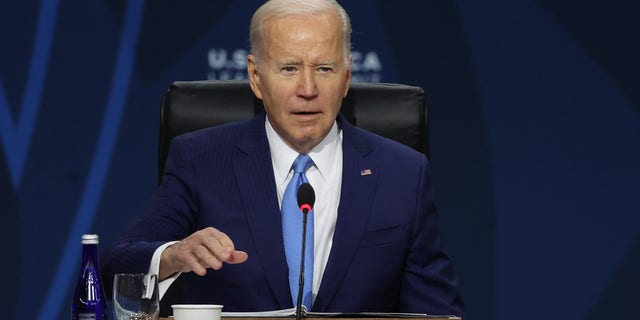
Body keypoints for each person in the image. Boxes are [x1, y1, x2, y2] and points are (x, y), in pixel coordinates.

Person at [101, 0, 464, 317]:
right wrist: (172, 256)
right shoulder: (200, 161)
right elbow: (114, 268)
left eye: (324, 68)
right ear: (256, 77)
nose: (308, 90)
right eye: (289, 68)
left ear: (347, 75)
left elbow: (436, 312)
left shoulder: (403, 174)